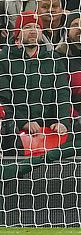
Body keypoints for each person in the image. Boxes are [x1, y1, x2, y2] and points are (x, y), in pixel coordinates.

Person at [0, 11, 71, 155]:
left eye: (37, 27)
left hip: (49, 131)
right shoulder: (4, 59)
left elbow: (62, 93)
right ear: (17, 33)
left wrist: (62, 121)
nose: (33, 31)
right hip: (13, 134)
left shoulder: (54, 60)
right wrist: (23, 122)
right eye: (27, 27)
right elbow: (3, 98)